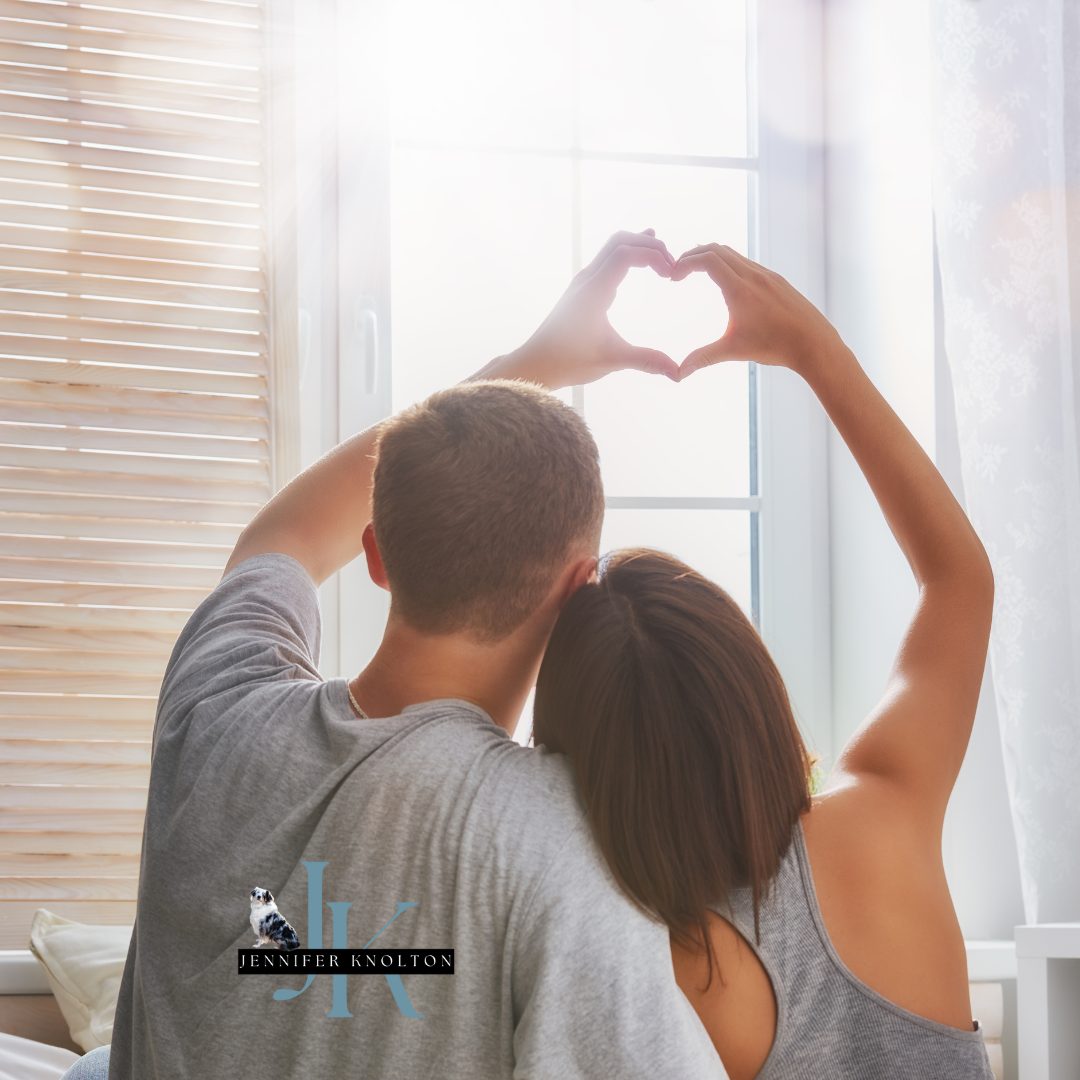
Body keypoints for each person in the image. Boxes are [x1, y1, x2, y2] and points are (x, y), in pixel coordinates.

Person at [78, 230, 727, 1080]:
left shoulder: (215, 705)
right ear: (580, 591)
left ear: (377, 554)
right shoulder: (560, 849)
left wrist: (527, 361)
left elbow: (283, 535)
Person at [533, 245, 997, 1079]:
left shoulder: (678, 967)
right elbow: (959, 581)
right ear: (749, 686)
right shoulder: (886, 823)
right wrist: (817, 354)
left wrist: (522, 372)